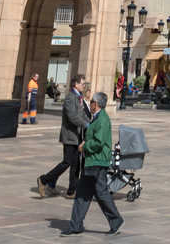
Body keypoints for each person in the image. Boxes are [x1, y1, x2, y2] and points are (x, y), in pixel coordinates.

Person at [67, 91, 124, 234]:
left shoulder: (103, 119)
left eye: (92, 101)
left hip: (98, 162)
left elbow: (99, 142)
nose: (90, 103)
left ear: (96, 104)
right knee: (84, 194)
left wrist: (84, 146)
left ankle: (115, 219)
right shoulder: (97, 118)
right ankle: (76, 225)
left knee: (100, 193)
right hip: (93, 161)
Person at [36, 74, 90, 200]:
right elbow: (73, 117)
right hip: (70, 136)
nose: (84, 86)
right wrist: (86, 124)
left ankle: (71, 191)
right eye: (82, 83)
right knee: (67, 162)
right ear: (75, 84)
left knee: (75, 164)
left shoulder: (78, 97)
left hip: (76, 136)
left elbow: (81, 114)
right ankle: (44, 179)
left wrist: (91, 122)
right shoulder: (71, 98)